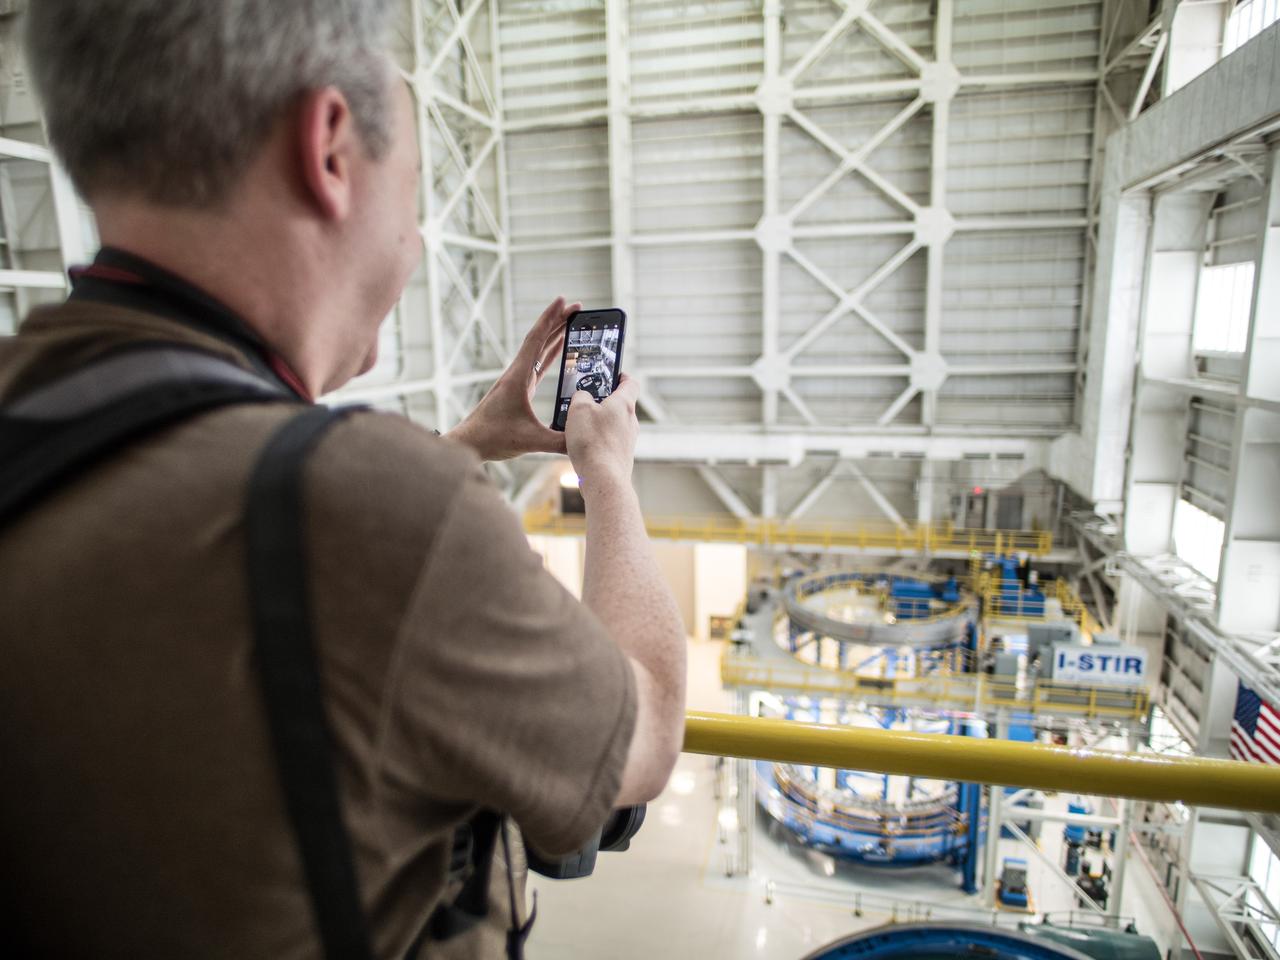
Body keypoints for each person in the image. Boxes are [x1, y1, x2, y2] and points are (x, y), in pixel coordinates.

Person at [0, 1, 687, 957]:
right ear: (329, 151)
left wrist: (471, 441)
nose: (411, 240)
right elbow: (647, 732)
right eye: (412, 190)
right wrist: (605, 471)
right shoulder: (385, 517)